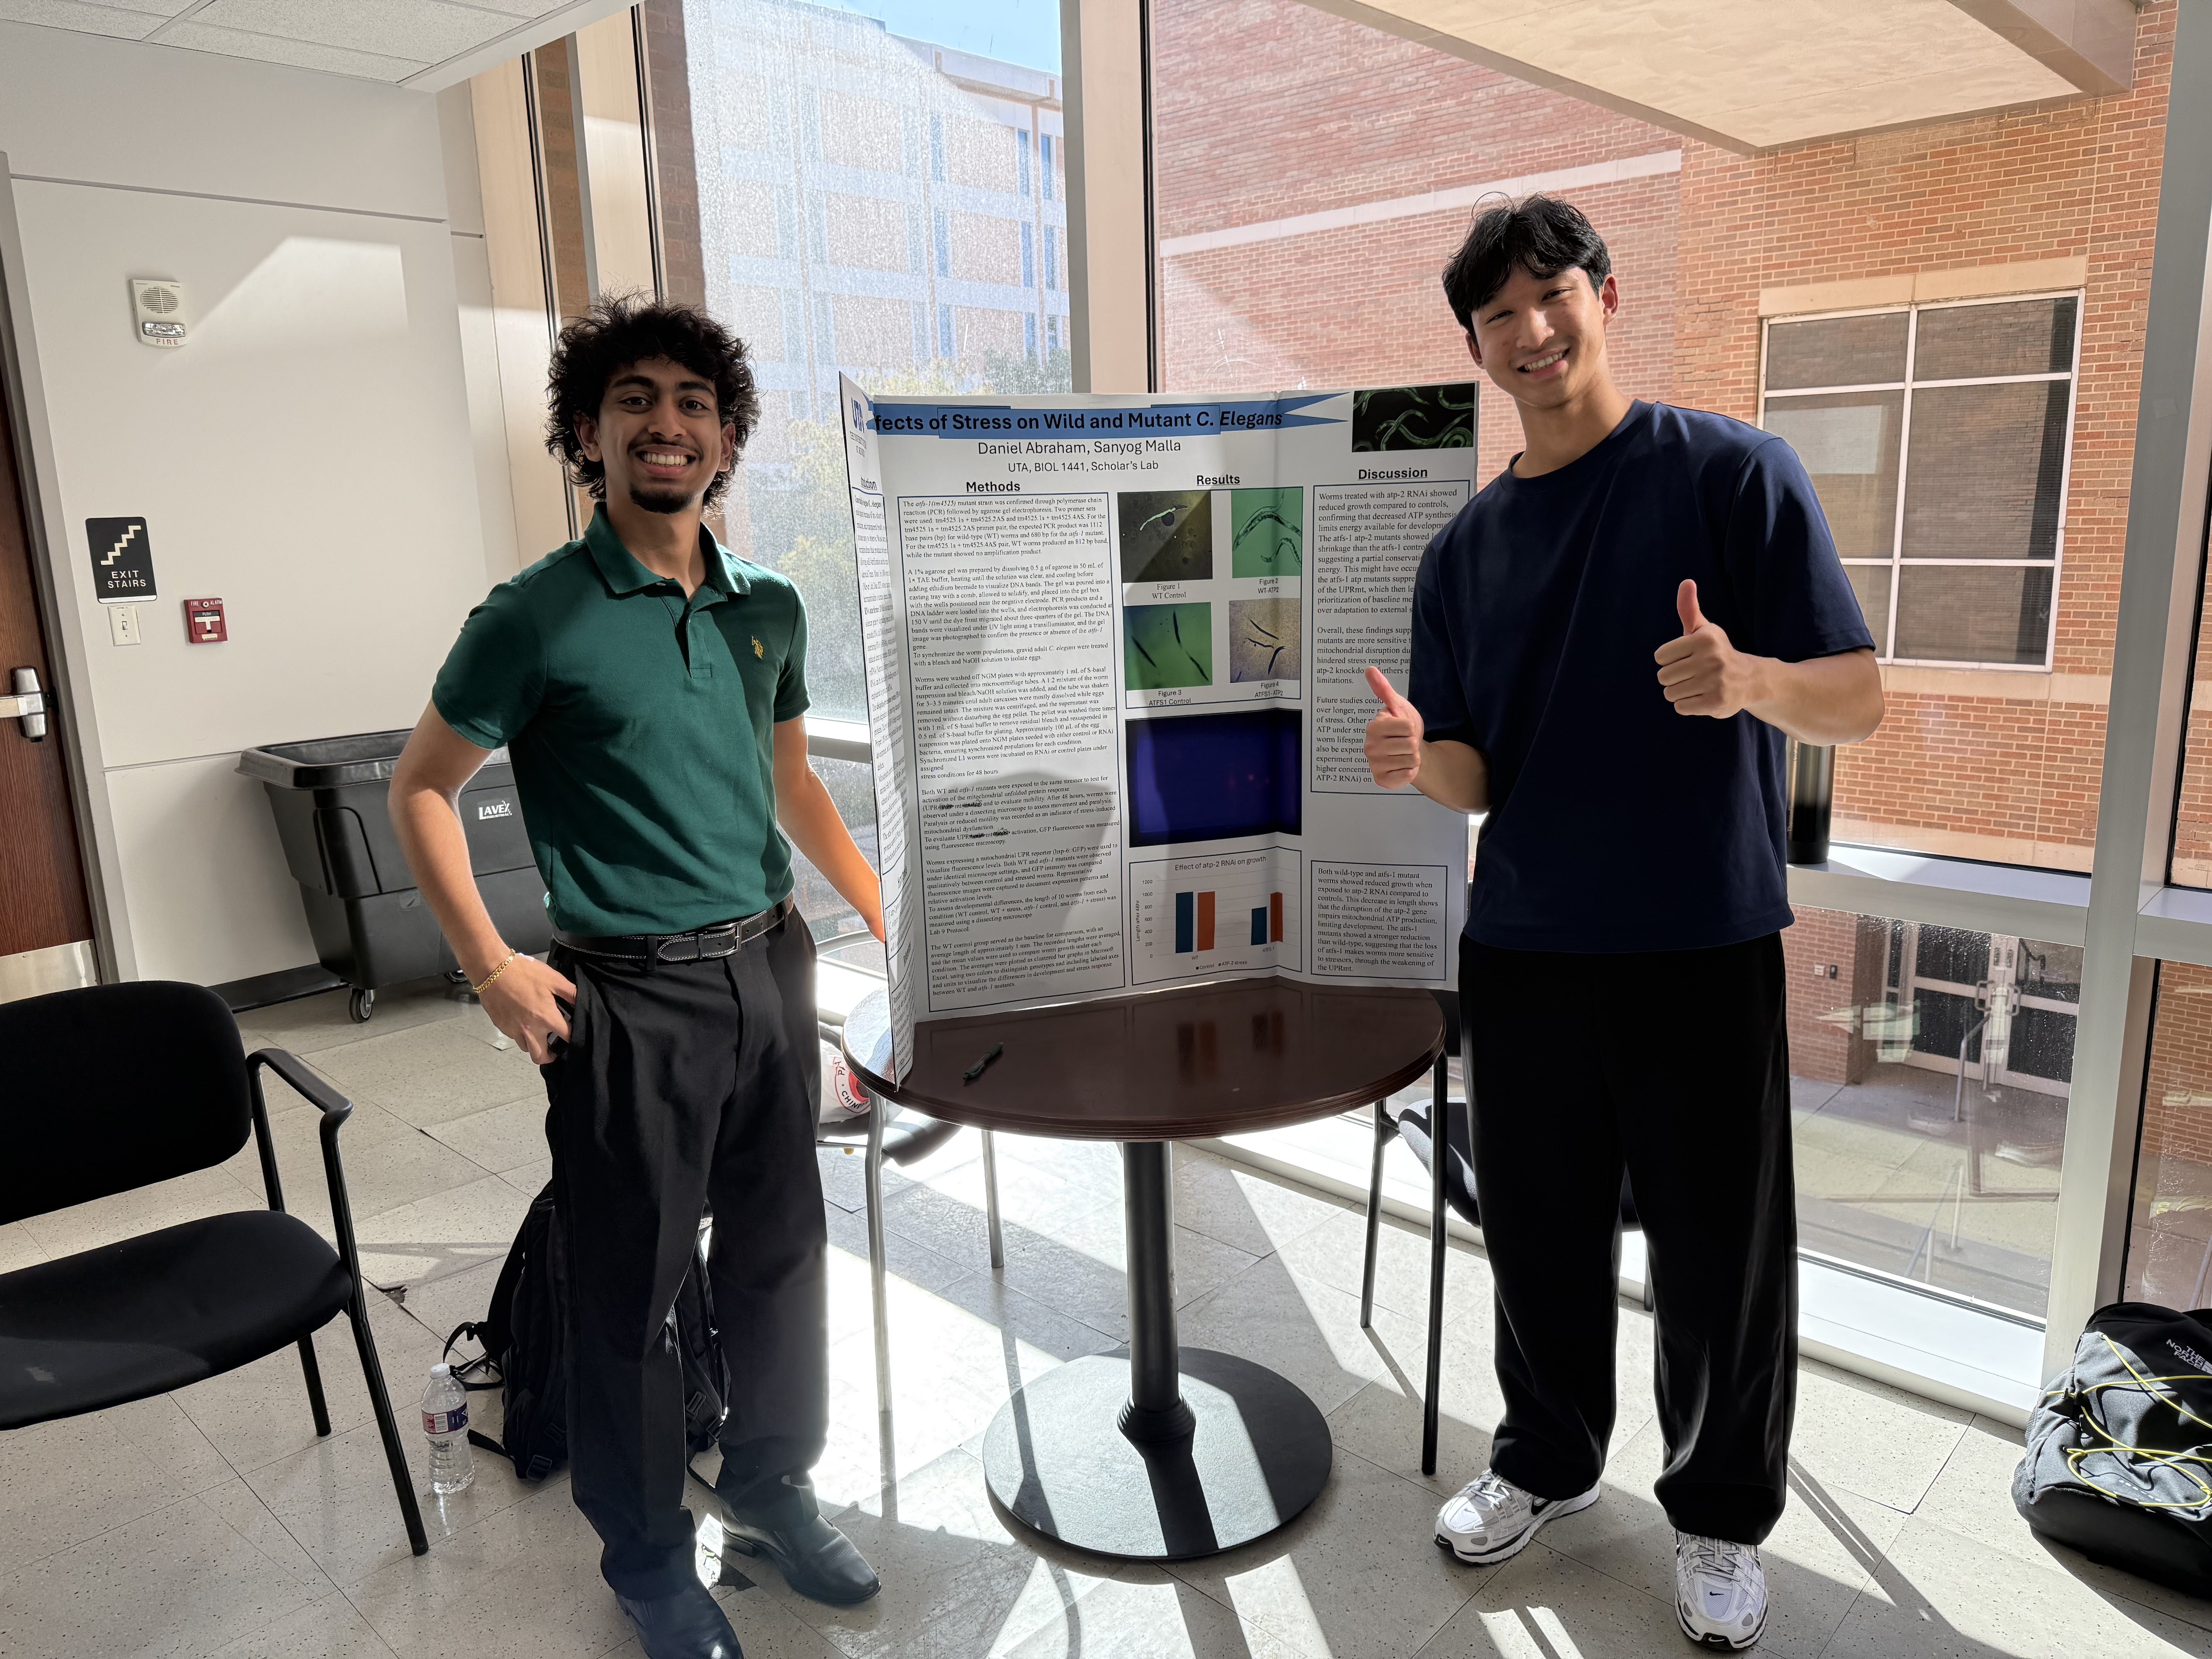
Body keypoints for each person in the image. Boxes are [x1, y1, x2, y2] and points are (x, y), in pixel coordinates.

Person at [1362, 197, 1884, 1652]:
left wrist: (1749, 681)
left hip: (1699, 943)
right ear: (1475, 346)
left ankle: (1719, 1519)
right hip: (1523, 948)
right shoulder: (1465, 547)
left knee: (1721, 1257)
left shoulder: (1731, 473)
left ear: (1605, 293)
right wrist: (1421, 763)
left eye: (1549, 298)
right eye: (1495, 319)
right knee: (1533, 1238)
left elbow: (1858, 692)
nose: (1528, 334)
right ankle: (1545, 1462)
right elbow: (1476, 767)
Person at [390, 297, 886, 1659]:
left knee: (783, 1258)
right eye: (634, 400)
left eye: (692, 402)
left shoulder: (765, 605)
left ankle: (776, 1486)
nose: (666, 423)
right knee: (634, 1292)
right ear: (588, 432)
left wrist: (887, 912)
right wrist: (491, 965)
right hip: (628, 996)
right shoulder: (535, 615)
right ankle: (651, 1561)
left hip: (771, 971)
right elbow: (421, 786)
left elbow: (791, 786)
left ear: (725, 437)